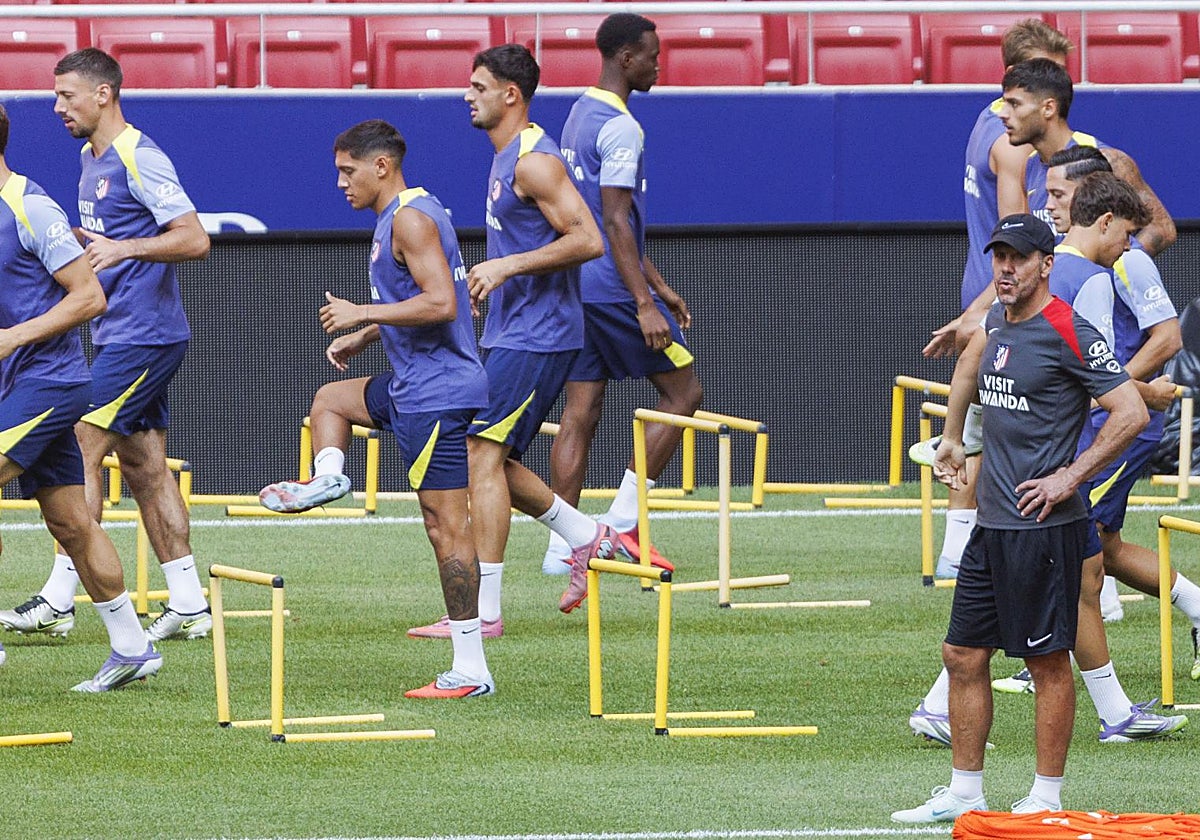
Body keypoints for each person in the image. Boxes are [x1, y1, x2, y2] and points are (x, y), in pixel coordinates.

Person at [910, 174, 1186, 746]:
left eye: (1058, 194)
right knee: (1053, 613)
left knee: (1089, 568)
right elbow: (1083, 380)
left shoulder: (1069, 283)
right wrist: (1138, 393)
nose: (1132, 247)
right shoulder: (1085, 284)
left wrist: (958, 434)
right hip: (1052, 472)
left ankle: (1112, 713)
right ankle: (947, 707)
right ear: (1106, 223)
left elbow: (1038, 364)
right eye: (1000, 257)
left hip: (1052, 469)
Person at [892, 214, 1147, 823]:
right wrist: (954, 438)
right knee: (962, 655)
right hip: (993, 526)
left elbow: (1130, 412)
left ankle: (1045, 799)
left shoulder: (1068, 328)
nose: (1005, 269)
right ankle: (964, 790)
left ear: (1045, 264)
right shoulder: (996, 322)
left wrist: (1069, 476)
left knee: (1046, 662)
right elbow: (968, 369)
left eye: (1018, 258)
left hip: (1045, 528)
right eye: (999, 257)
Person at [408, 44, 668, 640]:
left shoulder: (533, 160)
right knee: (496, 459)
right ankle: (590, 538)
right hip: (512, 331)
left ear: (510, 95)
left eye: (477, 86)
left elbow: (589, 238)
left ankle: (485, 613)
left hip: (541, 337)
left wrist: (506, 269)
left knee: (480, 455)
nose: (465, 95)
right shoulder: (506, 158)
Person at [259, 120, 493, 699]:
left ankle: (471, 668)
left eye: (348, 171)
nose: (341, 183)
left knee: (446, 527)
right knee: (331, 400)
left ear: (381, 166)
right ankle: (330, 479)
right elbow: (426, 297)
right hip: (416, 384)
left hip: (436, 394)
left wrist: (361, 311)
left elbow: (441, 302)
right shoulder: (412, 211)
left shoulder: (409, 219)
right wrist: (363, 337)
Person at [0, 48, 213, 643]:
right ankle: (190, 602)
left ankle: (60, 597)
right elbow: (106, 240)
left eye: (68, 95)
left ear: (105, 94)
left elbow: (194, 239)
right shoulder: (88, 158)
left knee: (81, 443)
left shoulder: (138, 155)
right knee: (145, 468)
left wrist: (124, 249)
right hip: (117, 330)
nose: (57, 106)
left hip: (144, 334)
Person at [0, 103, 162, 691]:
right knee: (72, 522)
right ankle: (132, 647)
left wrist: (13, 337)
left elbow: (89, 296)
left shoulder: (30, 207)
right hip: (14, 385)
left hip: (50, 382)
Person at [542, 12, 702, 574]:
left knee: (581, 409)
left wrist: (659, 285)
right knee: (685, 394)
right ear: (626, 58)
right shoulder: (622, 128)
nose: (660, 65)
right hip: (611, 293)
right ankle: (624, 524)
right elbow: (613, 222)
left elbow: (609, 220)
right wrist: (643, 301)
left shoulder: (579, 113)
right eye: (654, 55)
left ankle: (563, 547)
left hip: (575, 285)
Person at [917, 21, 1071, 581]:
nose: (1056, 83)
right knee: (1005, 423)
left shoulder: (984, 122)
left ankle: (961, 553)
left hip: (985, 289)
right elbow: (1016, 231)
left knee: (987, 418)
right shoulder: (1010, 143)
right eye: (1045, 71)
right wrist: (980, 311)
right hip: (1004, 291)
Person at [998, 57, 1175, 256]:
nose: (1003, 114)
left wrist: (1114, 274)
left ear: (1048, 108)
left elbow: (1162, 228)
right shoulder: (1029, 165)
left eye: (1014, 104)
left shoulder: (1106, 160)